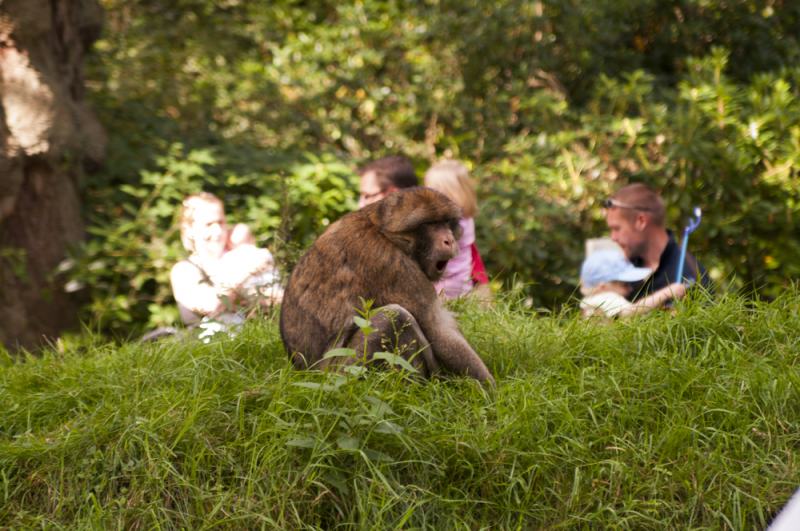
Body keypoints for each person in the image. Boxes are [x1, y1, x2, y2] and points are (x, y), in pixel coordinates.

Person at [170, 192, 282, 326]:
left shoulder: (243, 256)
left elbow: (281, 302)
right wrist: (249, 272)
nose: (218, 231)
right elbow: (213, 305)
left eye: (221, 222)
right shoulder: (183, 271)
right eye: (209, 224)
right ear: (190, 230)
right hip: (212, 345)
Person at [604, 183, 709, 303]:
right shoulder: (621, 272)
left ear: (641, 221)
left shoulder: (688, 273)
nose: (613, 237)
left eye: (617, 228)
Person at [424, 160, 490, 300]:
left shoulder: (455, 223)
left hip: (447, 287)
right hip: (460, 285)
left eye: (440, 191)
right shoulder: (467, 218)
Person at [580, 248, 687, 318]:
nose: (630, 289)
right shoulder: (606, 297)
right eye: (624, 285)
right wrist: (667, 292)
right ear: (603, 286)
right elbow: (632, 311)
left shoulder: (589, 301)